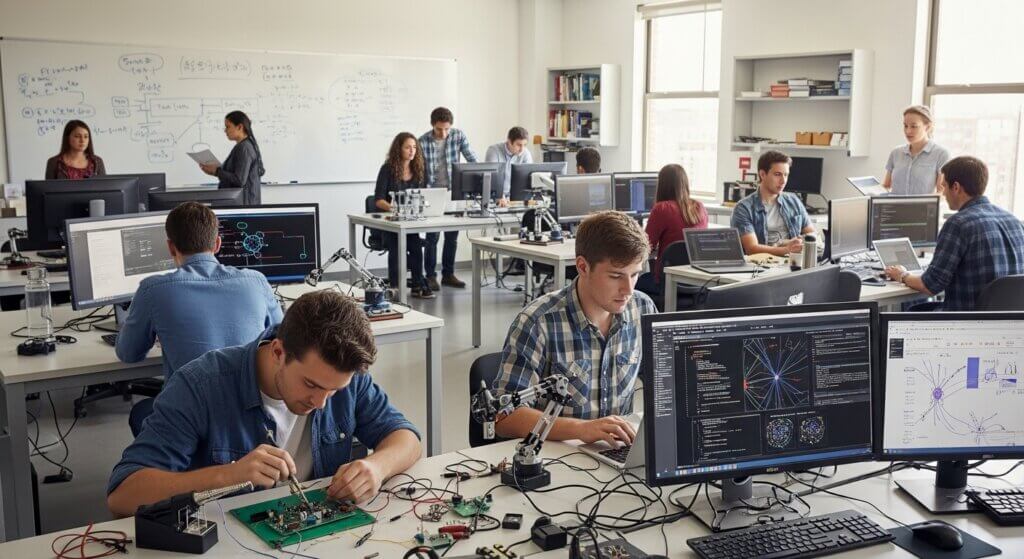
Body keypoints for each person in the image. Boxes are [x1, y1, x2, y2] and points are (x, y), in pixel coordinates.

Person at [106, 290, 422, 517]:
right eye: (310, 384)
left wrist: (376, 467)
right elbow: (123, 495)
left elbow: (407, 439)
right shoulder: (201, 385)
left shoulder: (344, 379)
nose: (321, 403)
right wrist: (228, 475)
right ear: (278, 352)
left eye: (334, 390)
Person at [115, 202, 284, 435]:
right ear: (217, 244)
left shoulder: (152, 289)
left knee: (142, 412)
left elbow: (128, 353)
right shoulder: (256, 280)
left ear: (171, 247)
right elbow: (281, 337)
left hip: (192, 415)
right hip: (252, 413)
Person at [495, 211, 657, 446]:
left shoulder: (642, 308)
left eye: (635, 275)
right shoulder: (538, 322)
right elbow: (504, 416)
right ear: (582, 267)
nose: (628, 289)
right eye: (616, 276)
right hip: (556, 454)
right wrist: (581, 429)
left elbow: (664, 384)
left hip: (616, 451)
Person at [885, 156, 1024, 311]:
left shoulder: (958, 224)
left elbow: (930, 286)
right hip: (1008, 324)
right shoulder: (1013, 220)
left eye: (944, 186)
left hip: (964, 322)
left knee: (910, 313)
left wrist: (902, 275)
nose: (943, 194)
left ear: (956, 187)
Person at [418, 107, 477, 290]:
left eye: (446, 129)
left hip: (454, 192)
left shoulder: (458, 136)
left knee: (452, 236)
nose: (443, 133)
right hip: (432, 193)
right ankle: (430, 276)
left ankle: (448, 274)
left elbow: (472, 160)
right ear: (432, 126)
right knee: (432, 237)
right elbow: (418, 170)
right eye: (439, 129)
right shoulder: (422, 141)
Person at [374, 132, 434, 299]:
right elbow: (378, 200)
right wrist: (395, 209)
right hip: (390, 225)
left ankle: (417, 284)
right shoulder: (387, 169)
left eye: (414, 147)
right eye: (407, 147)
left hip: (409, 223)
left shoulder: (420, 169)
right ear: (398, 149)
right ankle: (395, 286)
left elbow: (424, 195)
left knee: (415, 246)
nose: (412, 151)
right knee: (396, 245)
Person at [635, 164, 708, 295]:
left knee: (635, 282)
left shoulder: (662, 208)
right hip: (697, 282)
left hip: (666, 282)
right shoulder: (700, 207)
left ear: (661, 184)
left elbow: (645, 246)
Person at [731, 150, 815, 256]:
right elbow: (751, 249)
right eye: (777, 174)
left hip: (794, 262)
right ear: (762, 174)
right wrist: (786, 249)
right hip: (763, 267)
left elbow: (811, 234)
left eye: (786, 175)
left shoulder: (793, 201)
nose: (783, 180)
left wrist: (800, 241)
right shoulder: (743, 208)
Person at [199, 111, 265, 205]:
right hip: (241, 204)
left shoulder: (244, 148)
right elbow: (235, 174)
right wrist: (215, 171)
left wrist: (217, 171)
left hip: (243, 207)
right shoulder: (243, 146)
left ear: (239, 127)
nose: (225, 130)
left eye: (228, 126)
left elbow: (239, 180)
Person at [883, 105, 950, 195]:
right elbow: (886, 185)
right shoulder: (896, 153)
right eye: (905, 126)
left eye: (914, 126)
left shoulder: (941, 154)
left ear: (928, 127)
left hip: (923, 209)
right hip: (894, 208)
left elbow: (941, 191)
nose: (908, 131)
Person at [485, 126, 533, 205]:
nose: (522, 149)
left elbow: (528, 178)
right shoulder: (493, 151)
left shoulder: (525, 153)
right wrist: (499, 196)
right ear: (509, 141)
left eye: (524, 145)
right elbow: (491, 179)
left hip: (518, 199)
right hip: (496, 198)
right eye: (519, 145)